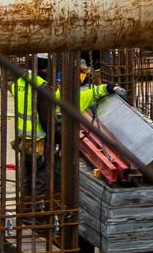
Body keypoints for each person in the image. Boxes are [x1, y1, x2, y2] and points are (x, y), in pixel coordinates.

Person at [10, 56, 111, 200]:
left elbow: (60, 99)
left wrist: (104, 89)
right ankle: (37, 211)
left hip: (23, 140)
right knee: (40, 181)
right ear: (45, 68)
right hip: (38, 142)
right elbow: (47, 122)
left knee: (27, 177)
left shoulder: (20, 81)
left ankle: (25, 209)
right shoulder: (42, 88)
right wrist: (61, 138)